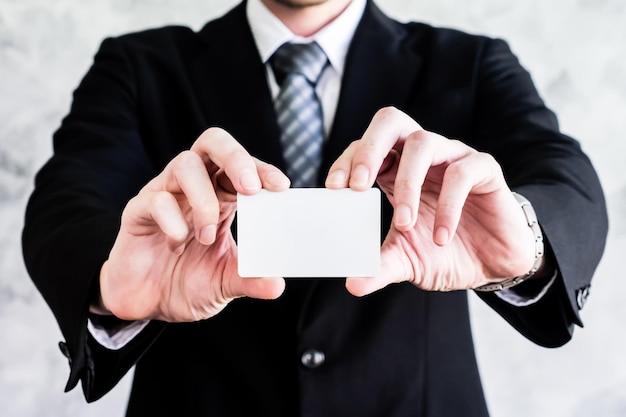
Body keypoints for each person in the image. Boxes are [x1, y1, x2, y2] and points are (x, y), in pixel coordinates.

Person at [22, 0, 607, 416]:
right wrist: (111, 286)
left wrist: (525, 246)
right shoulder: (138, 65)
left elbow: (567, 179)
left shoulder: (470, 63)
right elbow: (65, 204)